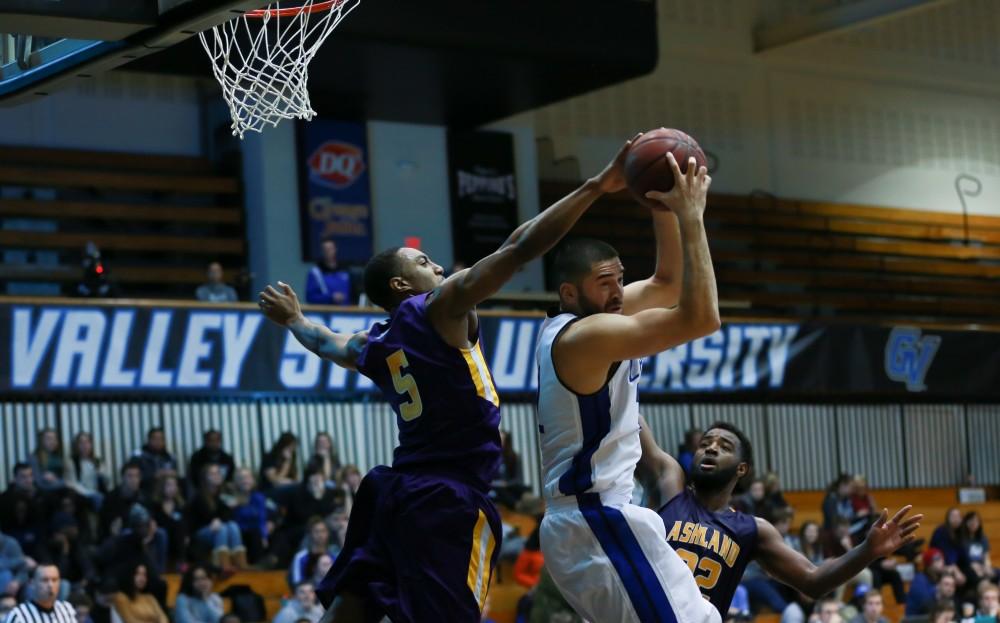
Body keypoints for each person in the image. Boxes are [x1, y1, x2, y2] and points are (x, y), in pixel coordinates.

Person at [258, 136, 640, 623]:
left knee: (348, 611)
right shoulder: (439, 306)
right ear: (400, 286)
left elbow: (323, 341)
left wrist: (293, 318)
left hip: (392, 490)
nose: (437, 266)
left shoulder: (372, 344)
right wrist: (594, 187)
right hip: (448, 499)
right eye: (421, 263)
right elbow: (520, 247)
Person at [535, 150, 722, 623]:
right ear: (570, 294)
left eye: (620, 279)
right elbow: (701, 317)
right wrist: (691, 216)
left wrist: (660, 204)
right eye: (606, 283)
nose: (619, 293)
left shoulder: (600, 314)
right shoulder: (585, 336)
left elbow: (667, 281)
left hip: (608, 515)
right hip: (592, 520)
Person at [637, 422, 920, 621]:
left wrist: (867, 551)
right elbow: (631, 422)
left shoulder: (752, 530)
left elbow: (813, 581)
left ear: (742, 468)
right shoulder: (669, 485)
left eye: (723, 446)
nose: (710, 449)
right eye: (705, 444)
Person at [186, 464, 247, 571]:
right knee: (222, 529)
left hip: (218, 527)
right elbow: (206, 518)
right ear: (205, 477)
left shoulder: (223, 493)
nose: (217, 476)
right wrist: (219, 519)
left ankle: (241, 564)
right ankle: (222, 566)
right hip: (200, 530)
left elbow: (227, 515)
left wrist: (221, 518)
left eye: (218, 473)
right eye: (212, 473)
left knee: (233, 525)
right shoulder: (199, 496)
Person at [3, 564, 75, 623]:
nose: (50, 585)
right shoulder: (18, 615)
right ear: (32, 584)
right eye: (45, 580)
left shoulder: (66, 609)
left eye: (54, 580)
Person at [64, 432, 108, 511]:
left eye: (87, 442)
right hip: (80, 494)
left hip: (97, 493)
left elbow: (107, 481)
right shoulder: (72, 462)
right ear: (77, 446)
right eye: (81, 443)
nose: (85, 445)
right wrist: (91, 494)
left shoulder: (97, 461)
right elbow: (72, 484)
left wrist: (102, 474)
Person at [131, 428, 178, 493]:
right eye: (155, 439)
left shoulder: (170, 458)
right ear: (149, 440)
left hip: (165, 494)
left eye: (161, 439)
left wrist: (173, 474)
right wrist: (154, 475)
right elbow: (133, 477)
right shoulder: (138, 456)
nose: (158, 442)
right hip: (144, 493)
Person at [306, 239, 352, 305]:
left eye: (330, 249)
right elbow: (310, 298)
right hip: (325, 313)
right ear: (322, 252)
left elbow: (352, 294)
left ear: (335, 249)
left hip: (346, 313)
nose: (328, 252)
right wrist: (331, 297)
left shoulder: (345, 271)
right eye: (325, 249)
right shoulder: (315, 273)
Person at [959, 511, 998, 586]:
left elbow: (986, 557)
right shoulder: (961, 539)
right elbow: (962, 559)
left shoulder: (983, 538)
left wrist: (987, 567)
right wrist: (973, 566)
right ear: (966, 523)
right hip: (967, 567)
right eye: (971, 521)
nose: (974, 523)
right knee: (980, 578)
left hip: (982, 566)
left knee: (996, 573)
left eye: (976, 521)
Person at [29, 428, 68, 493]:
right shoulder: (34, 457)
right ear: (41, 441)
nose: (52, 441)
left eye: (55, 439)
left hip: (63, 489)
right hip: (44, 491)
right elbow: (38, 482)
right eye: (48, 439)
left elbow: (68, 477)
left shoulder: (61, 456)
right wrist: (64, 483)